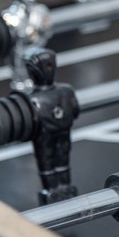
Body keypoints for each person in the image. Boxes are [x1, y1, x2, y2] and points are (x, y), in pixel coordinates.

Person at [21, 48, 79, 205]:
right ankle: (65, 188)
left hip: (44, 136)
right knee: (62, 159)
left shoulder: (30, 99)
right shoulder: (67, 90)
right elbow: (75, 111)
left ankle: (52, 190)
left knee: (47, 162)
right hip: (62, 132)